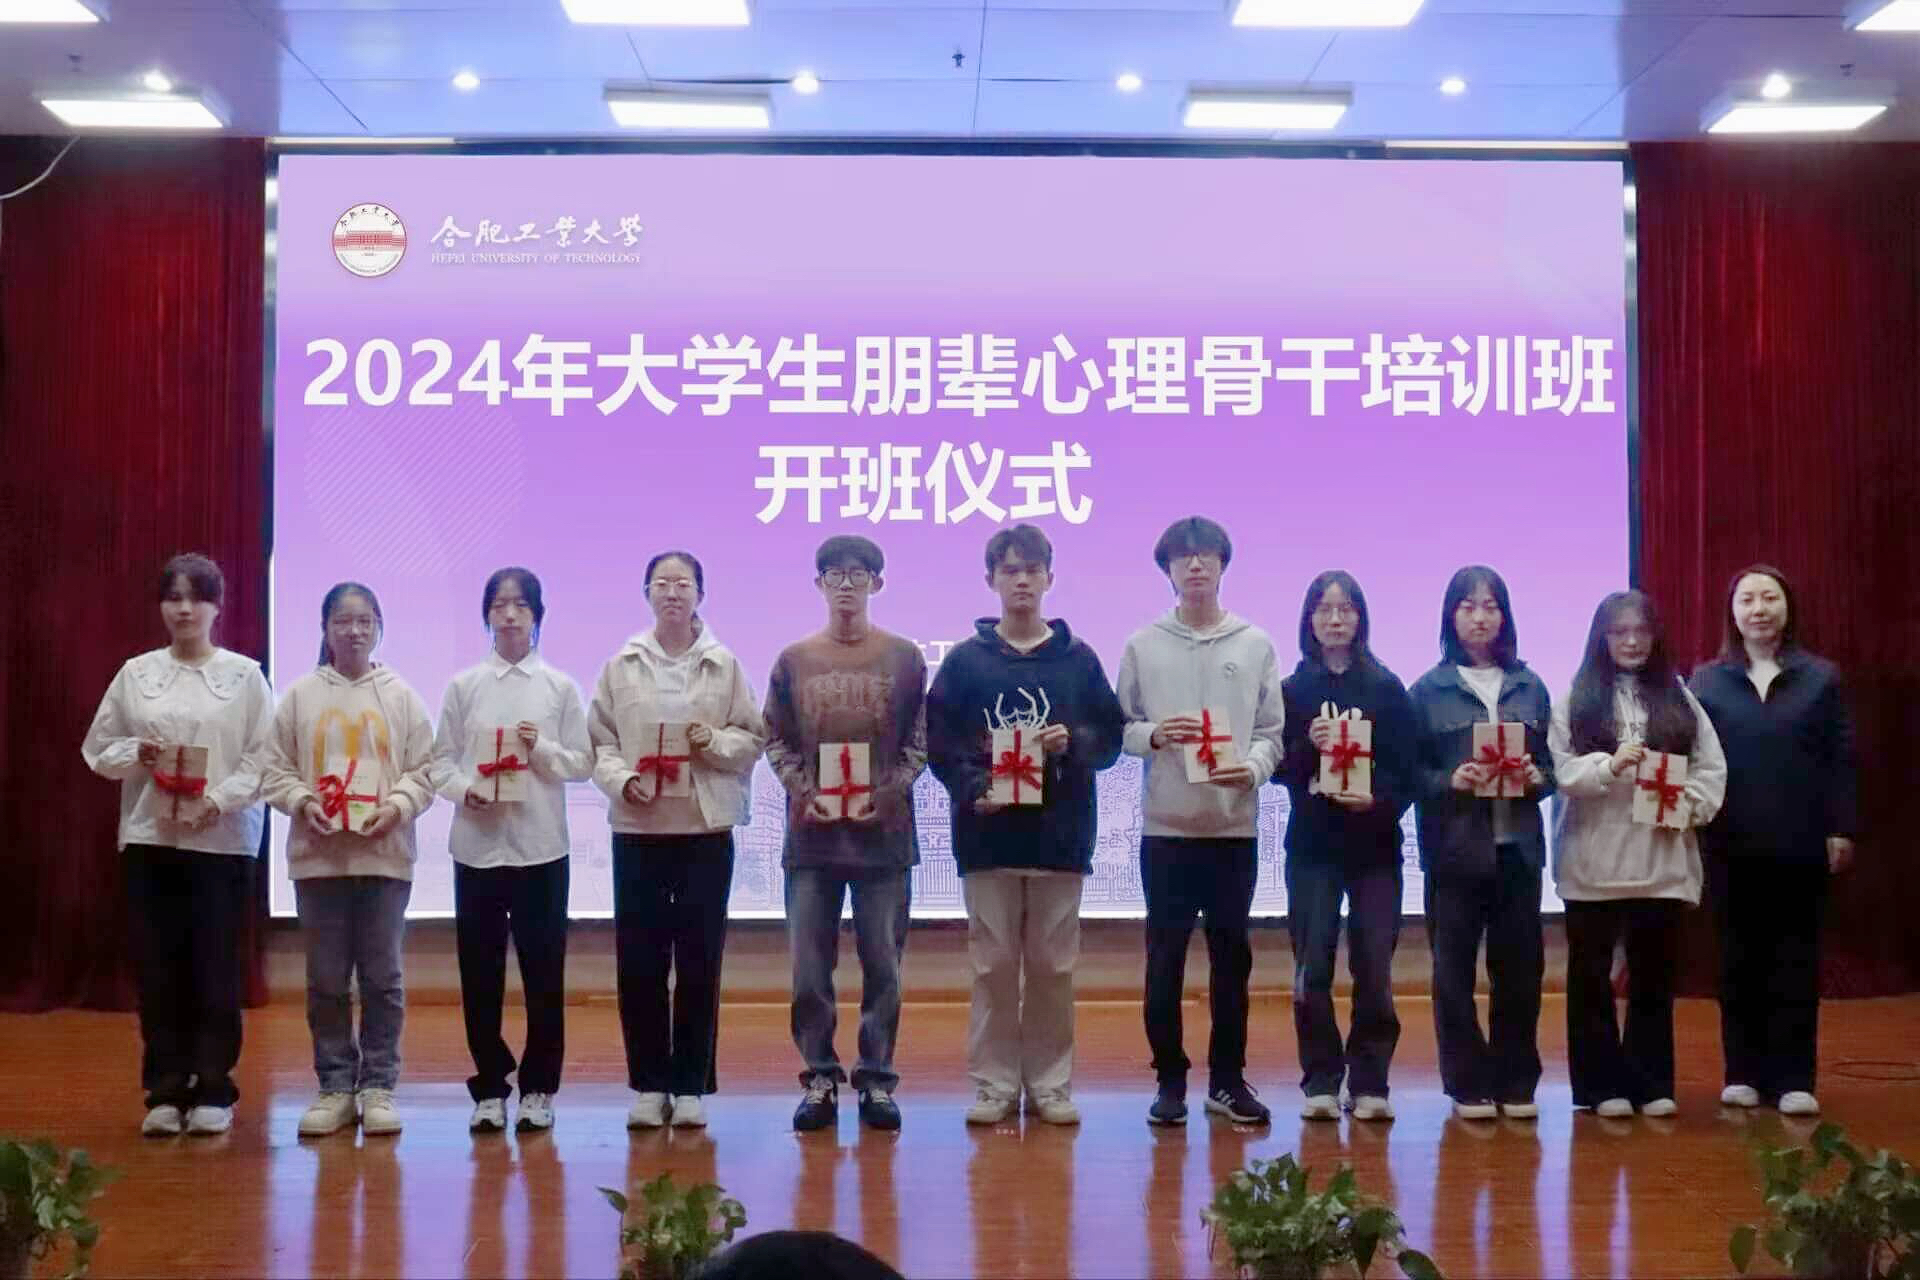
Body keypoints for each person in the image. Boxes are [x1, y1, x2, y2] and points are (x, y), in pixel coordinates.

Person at [927, 524, 1125, 1127]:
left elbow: (1110, 738)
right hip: (986, 839)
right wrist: (975, 788)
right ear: (991, 579)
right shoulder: (964, 662)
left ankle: (1050, 1084)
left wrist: (1073, 741)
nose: (1021, 581)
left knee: (1052, 969)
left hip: (1059, 839)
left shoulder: (1078, 659)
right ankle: (993, 1085)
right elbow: (939, 744)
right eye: (1009, 570)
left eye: (1032, 570)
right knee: (991, 968)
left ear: (1049, 579)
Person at [82, 553, 275, 1137]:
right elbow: (99, 750)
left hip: (221, 841)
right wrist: (136, 752)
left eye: (197, 597)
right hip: (151, 839)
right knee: (159, 968)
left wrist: (215, 801)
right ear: (162, 606)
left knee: (215, 966)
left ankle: (214, 1087)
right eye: (174, 597)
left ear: (218, 606)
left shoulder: (244, 677)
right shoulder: (136, 674)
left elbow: (263, 760)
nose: (185, 608)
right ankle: (165, 1090)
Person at [1115, 516, 1285, 1127]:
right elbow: (1120, 728)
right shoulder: (1143, 644)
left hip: (1232, 831)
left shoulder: (1255, 643)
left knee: (1232, 963)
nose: (1195, 566)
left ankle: (1228, 1081)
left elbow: (1271, 732)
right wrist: (1155, 735)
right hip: (1166, 831)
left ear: (1222, 566)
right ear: (1167, 569)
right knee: (1163, 962)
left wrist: (1254, 769)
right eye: (1183, 558)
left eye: (1206, 555)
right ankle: (1169, 1081)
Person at [589, 550, 766, 1131]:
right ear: (646, 593)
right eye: (662, 583)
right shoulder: (622, 664)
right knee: (639, 961)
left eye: (683, 583)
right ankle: (648, 1083)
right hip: (638, 830)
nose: (672, 592)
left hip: (703, 830)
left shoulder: (723, 663)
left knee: (699, 961)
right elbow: (600, 743)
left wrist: (713, 741)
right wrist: (622, 781)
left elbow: (752, 738)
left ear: (700, 595)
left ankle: (690, 1085)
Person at [763, 534, 927, 1133]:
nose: (847, 585)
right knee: (810, 970)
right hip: (813, 840)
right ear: (819, 585)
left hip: (884, 839)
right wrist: (804, 791)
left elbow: (920, 741)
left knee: (884, 966)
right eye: (834, 574)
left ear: (877, 583)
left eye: (859, 574)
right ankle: (820, 1076)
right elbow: (774, 738)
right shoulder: (794, 660)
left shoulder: (905, 658)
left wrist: (888, 792)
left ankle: (877, 1077)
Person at [262, 581, 436, 1138]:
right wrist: (302, 801)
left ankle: (379, 1086)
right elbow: (273, 769)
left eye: (364, 620)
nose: (354, 631)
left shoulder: (401, 696)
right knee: (327, 980)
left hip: (384, 858)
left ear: (379, 626)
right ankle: (335, 1086)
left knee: (383, 978)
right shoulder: (300, 696)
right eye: (342, 620)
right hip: (319, 861)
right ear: (325, 628)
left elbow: (426, 770)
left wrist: (397, 806)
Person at [1550, 589, 1726, 1117]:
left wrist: (1687, 805)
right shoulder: (1577, 696)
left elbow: (1711, 768)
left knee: (1653, 978)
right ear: (1601, 638)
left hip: (1660, 861)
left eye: (1641, 631)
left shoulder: (1679, 696)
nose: (1631, 641)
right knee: (1591, 980)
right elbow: (1561, 770)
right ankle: (1600, 1087)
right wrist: (1608, 766)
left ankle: (1652, 1084)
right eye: (1619, 632)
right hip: (1593, 862)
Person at [1690, 564, 1857, 1117]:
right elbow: (1691, 758)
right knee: (1737, 960)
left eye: (1769, 598)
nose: (1758, 610)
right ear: (1732, 613)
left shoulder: (1821, 678)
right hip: (1729, 841)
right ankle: (1742, 1073)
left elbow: (1841, 759)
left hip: (1801, 840)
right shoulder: (1707, 680)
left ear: (1787, 608)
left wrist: (1841, 827)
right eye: (1747, 600)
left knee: (1796, 960)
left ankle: (1794, 1078)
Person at [432, 567, 593, 1134]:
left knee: (544, 974)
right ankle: (489, 1087)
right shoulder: (464, 687)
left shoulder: (559, 688)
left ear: (537, 616)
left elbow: (582, 763)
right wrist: (464, 790)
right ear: (486, 615)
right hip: (477, 849)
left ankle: (540, 1087)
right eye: (499, 604)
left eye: (520, 605)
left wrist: (539, 747)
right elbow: (439, 763)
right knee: (479, 975)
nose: (509, 614)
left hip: (541, 849)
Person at [1408, 565, 1556, 1122]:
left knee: (1520, 971)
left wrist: (1540, 777)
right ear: (1451, 617)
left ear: (1505, 616)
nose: (1479, 617)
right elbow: (1408, 772)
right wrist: (1450, 780)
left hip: (1517, 848)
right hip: (1455, 851)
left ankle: (1516, 1080)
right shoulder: (1427, 691)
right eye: (1468, 606)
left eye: (1490, 606)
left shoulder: (1529, 686)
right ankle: (1467, 1084)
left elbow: (1552, 765)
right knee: (1453, 974)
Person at [1272, 570, 1416, 1123]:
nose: (1335, 620)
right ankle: (1321, 1080)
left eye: (1346, 609)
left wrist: (1375, 801)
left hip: (1376, 848)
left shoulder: (1386, 688)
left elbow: (1407, 773)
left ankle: (1372, 1080)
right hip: (1313, 848)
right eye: (1324, 609)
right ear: (1309, 620)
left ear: (1361, 618)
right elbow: (1277, 768)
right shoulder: (1292, 691)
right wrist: (1306, 746)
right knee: (1312, 967)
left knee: (1374, 966)